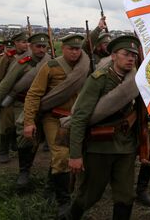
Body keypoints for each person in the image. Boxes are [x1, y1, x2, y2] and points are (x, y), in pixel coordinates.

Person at [68, 35, 150, 220]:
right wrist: (75, 154)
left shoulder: (137, 80)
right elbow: (80, 117)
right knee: (90, 195)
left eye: (133, 54)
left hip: (126, 147)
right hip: (100, 147)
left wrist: (145, 144)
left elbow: (140, 116)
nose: (131, 58)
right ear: (114, 56)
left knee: (125, 196)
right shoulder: (99, 79)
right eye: (126, 54)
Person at [23, 34, 89, 219]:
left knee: (75, 154)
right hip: (54, 118)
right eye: (71, 48)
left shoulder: (86, 66)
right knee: (61, 154)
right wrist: (28, 122)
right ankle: (64, 201)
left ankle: (51, 185)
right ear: (63, 48)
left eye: (78, 49)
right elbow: (34, 94)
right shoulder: (51, 67)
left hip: (77, 119)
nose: (75, 52)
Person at [0, 33, 50, 184]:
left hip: (41, 104)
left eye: (44, 46)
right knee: (19, 130)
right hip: (19, 102)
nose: (41, 49)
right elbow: (5, 85)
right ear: (31, 47)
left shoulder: (51, 62)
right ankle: (24, 171)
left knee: (35, 136)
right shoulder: (22, 62)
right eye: (38, 46)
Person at [0, 34, 29, 162]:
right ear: (15, 43)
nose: (25, 44)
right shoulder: (7, 57)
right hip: (8, 97)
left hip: (25, 98)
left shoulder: (32, 57)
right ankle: (3, 151)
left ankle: (21, 149)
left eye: (27, 42)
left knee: (22, 126)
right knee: (6, 126)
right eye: (22, 42)